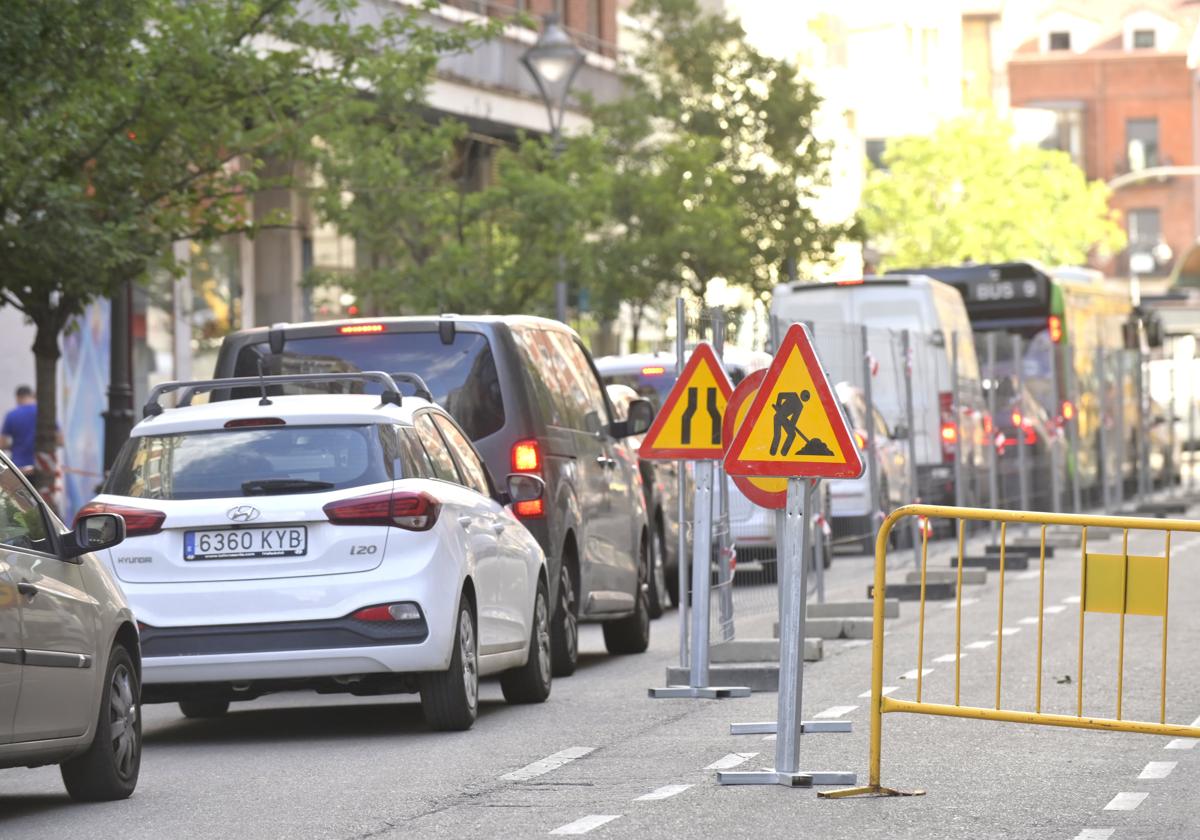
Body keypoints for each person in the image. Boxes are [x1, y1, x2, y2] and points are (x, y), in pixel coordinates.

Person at [2, 386, 41, 474]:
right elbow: (60, 440)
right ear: (31, 395)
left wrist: (15, 446)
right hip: (41, 466)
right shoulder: (43, 415)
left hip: (19, 469)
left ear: (18, 397)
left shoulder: (11, 415)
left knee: (21, 488)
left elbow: (2, 444)